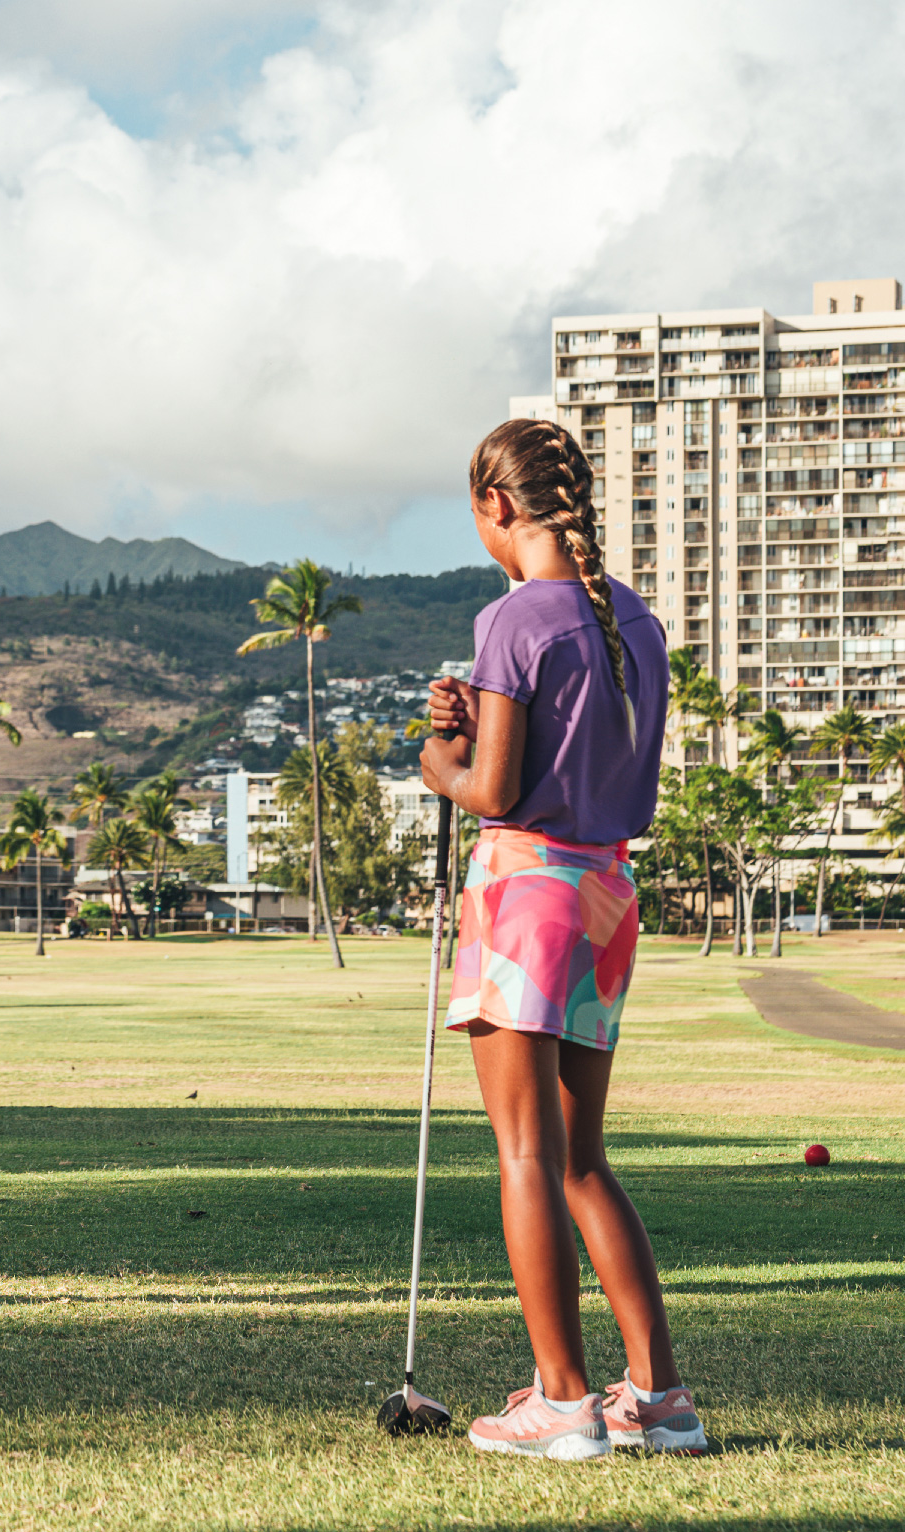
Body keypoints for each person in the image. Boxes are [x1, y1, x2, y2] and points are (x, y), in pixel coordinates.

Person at [420, 419, 705, 1460]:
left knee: (525, 1152)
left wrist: (433, 755)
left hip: (525, 888)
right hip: (605, 893)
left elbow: (489, 787)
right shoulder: (634, 619)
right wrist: (476, 719)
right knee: (582, 1157)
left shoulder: (512, 617)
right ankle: (657, 1396)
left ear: (497, 506)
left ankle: (561, 1399)